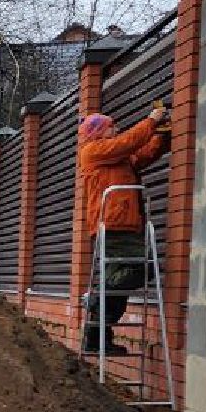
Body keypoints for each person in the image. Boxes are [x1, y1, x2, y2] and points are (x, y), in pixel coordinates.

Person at [77, 105, 168, 355]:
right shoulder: (93, 151)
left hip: (123, 225)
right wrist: (150, 121)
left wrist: (163, 135)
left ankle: (96, 340)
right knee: (143, 267)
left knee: (117, 287)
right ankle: (96, 297)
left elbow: (142, 155)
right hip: (112, 226)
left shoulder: (116, 158)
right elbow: (128, 143)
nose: (115, 130)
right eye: (110, 127)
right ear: (98, 132)